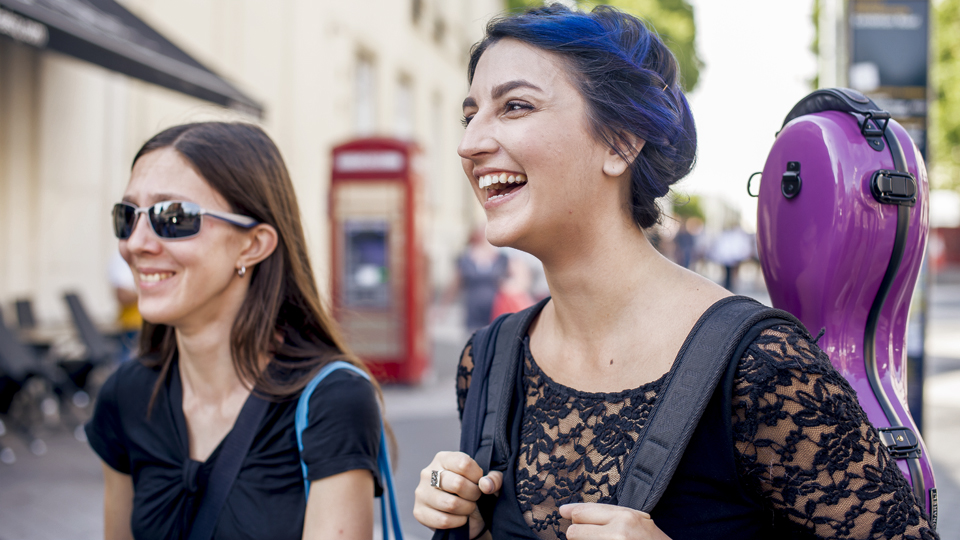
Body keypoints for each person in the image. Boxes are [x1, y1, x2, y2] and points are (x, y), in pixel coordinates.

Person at [413, 5, 937, 540]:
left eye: (515, 106)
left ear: (620, 141)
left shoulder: (761, 367)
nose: (469, 143)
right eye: (470, 114)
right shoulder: (488, 361)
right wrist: (467, 524)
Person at [85, 122, 383, 540]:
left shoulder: (331, 403)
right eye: (127, 216)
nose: (136, 243)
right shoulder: (126, 395)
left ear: (253, 244)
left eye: (173, 217)